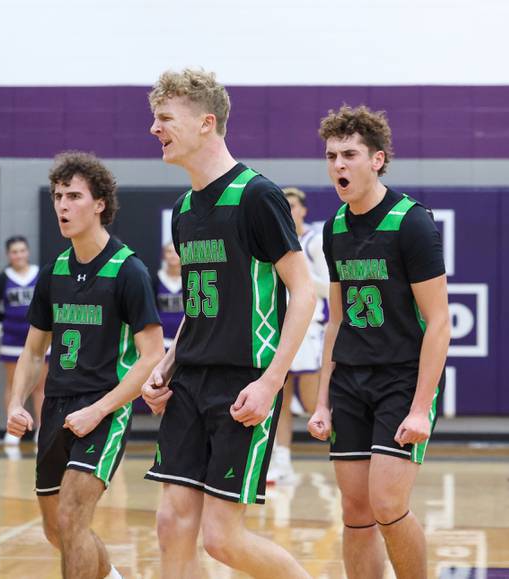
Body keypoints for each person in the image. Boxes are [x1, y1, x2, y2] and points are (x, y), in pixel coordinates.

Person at [141, 68, 315, 579]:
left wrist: (271, 382)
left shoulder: (256, 195)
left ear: (206, 124)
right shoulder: (184, 209)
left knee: (221, 539)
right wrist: (166, 367)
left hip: (244, 382)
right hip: (189, 382)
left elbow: (303, 292)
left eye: (165, 118)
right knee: (172, 523)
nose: (155, 129)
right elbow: (199, 307)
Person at [5, 151, 164, 579]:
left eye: (74, 196)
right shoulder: (54, 271)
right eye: (58, 195)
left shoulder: (128, 270)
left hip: (103, 410)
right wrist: (16, 403)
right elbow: (34, 350)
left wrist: (100, 409)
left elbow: (152, 354)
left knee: (74, 518)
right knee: (57, 529)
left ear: (99, 205)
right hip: (56, 408)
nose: (62, 205)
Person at [307, 105, 450, 579]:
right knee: (356, 513)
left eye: (350, 154)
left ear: (377, 159)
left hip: (400, 380)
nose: (338, 166)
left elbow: (439, 321)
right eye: (331, 156)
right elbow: (336, 321)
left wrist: (419, 406)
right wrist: (323, 400)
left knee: (388, 504)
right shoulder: (334, 230)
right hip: (349, 380)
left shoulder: (411, 222)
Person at [266, 187, 330, 484]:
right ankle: (282, 461)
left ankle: (345, 450)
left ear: (303, 210)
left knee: (311, 401)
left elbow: (331, 289)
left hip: (309, 329)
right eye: (285, 206)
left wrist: (299, 272)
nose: (289, 211)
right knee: (279, 398)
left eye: (293, 206)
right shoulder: (273, 241)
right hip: (280, 327)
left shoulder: (314, 242)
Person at [0, 235, 46, 447]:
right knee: (13, 385)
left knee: (40, 386)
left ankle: (42, 428)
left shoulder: (40, 275)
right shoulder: (4, 278)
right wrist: (7, 321)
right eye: (14, 251)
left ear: (27, 252)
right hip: (12, 338)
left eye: (22, 250)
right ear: (8, 255)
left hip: (40, 338)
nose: (19, 255)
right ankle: (12, 429)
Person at [156, 241, 183, 350]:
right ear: (163, 255)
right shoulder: (156, 280)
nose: (173, 255)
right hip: (162, 342)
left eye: (176, 252)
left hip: (184, 342)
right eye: (169, 252)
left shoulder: (190, 280)